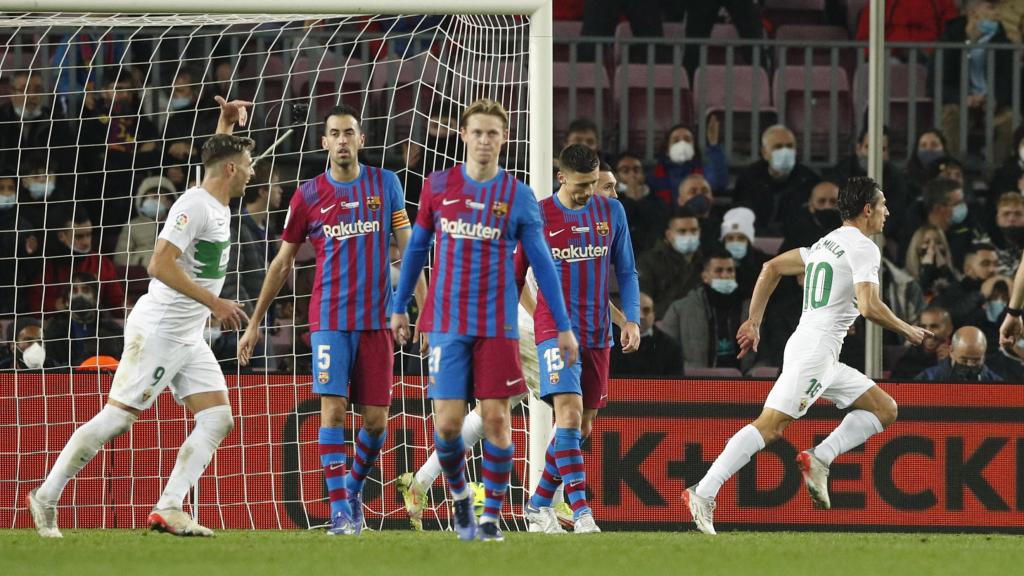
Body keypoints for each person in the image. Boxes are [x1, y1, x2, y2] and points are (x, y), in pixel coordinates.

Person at [27, 96, 254, 539]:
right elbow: (158, 264)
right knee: (117, 419)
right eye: (247, 165)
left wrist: (225, 123)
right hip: (160, 329)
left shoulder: (213, 196)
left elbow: (215, 160)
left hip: (188, 335)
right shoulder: (194, 206)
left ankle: (170, 506)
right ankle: (46, 496)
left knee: (217, 418)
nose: (252, 172)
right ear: (231, 170)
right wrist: (214, 302)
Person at [682, 176, 931, 535]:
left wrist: (754, 320)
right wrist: (908, 330)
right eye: (883, 205)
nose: (887, 212)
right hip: (815, 352)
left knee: (884, 409)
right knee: (770, 426)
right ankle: (703, 491)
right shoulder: (864, 247)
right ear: (867, 209)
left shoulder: (825, 243)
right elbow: (869, 305)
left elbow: (771, 268)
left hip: (819, 350)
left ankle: (820, 458)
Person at [390, 98, 578, 542]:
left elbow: (542, 264)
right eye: (477, 132)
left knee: (496, 419)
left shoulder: (518, 196)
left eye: (493, 133)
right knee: (448, 425)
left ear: (504, 138)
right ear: (464, 135)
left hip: (497, 325)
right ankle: (459, 497)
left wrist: (563, 325)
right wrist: (401, 306)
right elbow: (416, 249)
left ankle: (490, 517)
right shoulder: (439, 186)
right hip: (448, 322)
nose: (484, 140)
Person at [237, 104, 424, 536]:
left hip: (376, 321)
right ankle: (340, 512)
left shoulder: (387, 184)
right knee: (333, 411)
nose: (342, 140)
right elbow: (282, 263)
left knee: (376, 423)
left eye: (349, 133)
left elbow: (410, 247)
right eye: (335, 133)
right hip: (329, 320)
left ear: (361, 139)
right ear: (324, 142)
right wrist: (255, 321)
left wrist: (423, 309)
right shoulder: (307, 195)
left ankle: (352, 491)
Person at [513, 144, 640, 534]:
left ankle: (537, 505)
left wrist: (631, 320)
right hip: (554, 331)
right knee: (567, 416)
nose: (588, 192)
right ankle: (582, 511)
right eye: (581, 184)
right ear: (561, 177)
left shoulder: (612, 212)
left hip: (597, 332)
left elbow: (627, 271)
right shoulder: (537, 215)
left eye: (593, 183)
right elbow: (514, 276)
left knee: (581, 428)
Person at [659, 249, 748, 371]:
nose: (726, 275)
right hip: (697, 379)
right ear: (705, 276)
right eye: (719, 271)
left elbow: (763, 354)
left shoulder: (749, 308)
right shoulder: (680, 309)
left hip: (744, 379)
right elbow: (665, 352)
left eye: (730, 270)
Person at [732, 124, 821, 236]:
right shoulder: (748, 179)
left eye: (789, 146)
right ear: (765, 153)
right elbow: (741, 215)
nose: (785, 151)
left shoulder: (809, 180)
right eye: (778, 147)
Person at [638, 208, 704, 319]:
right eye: (682, 231)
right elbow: (642, 302)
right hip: (661, 322)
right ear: (669, 235)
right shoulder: (648, 262)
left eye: (693, 231)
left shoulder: (706, 261)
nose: (689, 236)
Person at [113, 175, 178, 267]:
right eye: (146, 198)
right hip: (141, 272)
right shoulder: (132, 226)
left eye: (155, 197)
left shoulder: (179, 224)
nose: (150, 202)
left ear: (169, 202)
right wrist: (142, 261)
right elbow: (120, 259)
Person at [915, 326, 1003, 381]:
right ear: (951, 351)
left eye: (976, 360)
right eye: (964, 360)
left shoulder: (996, 384)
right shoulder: (927, 379)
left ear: (984, 355)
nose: (970, 364)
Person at [892, 306, 955, 379]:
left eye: (934, 326)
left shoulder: (959, 354)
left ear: (949, 329)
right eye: (923, 326)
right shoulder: (911, 354)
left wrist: (950, 364)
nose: (927, 332)